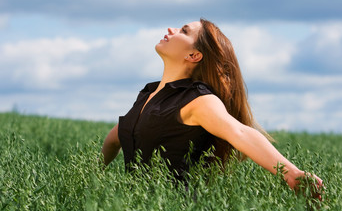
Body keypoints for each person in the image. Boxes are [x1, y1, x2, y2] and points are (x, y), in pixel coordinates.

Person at [101, 18, 323, 195]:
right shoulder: (148, 95)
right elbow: (115, 138)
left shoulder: (198, 100)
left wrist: (290, 173)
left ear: (194, 55)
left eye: (184, 31)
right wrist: (89, 177)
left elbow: (240, 132)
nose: (171, 29)